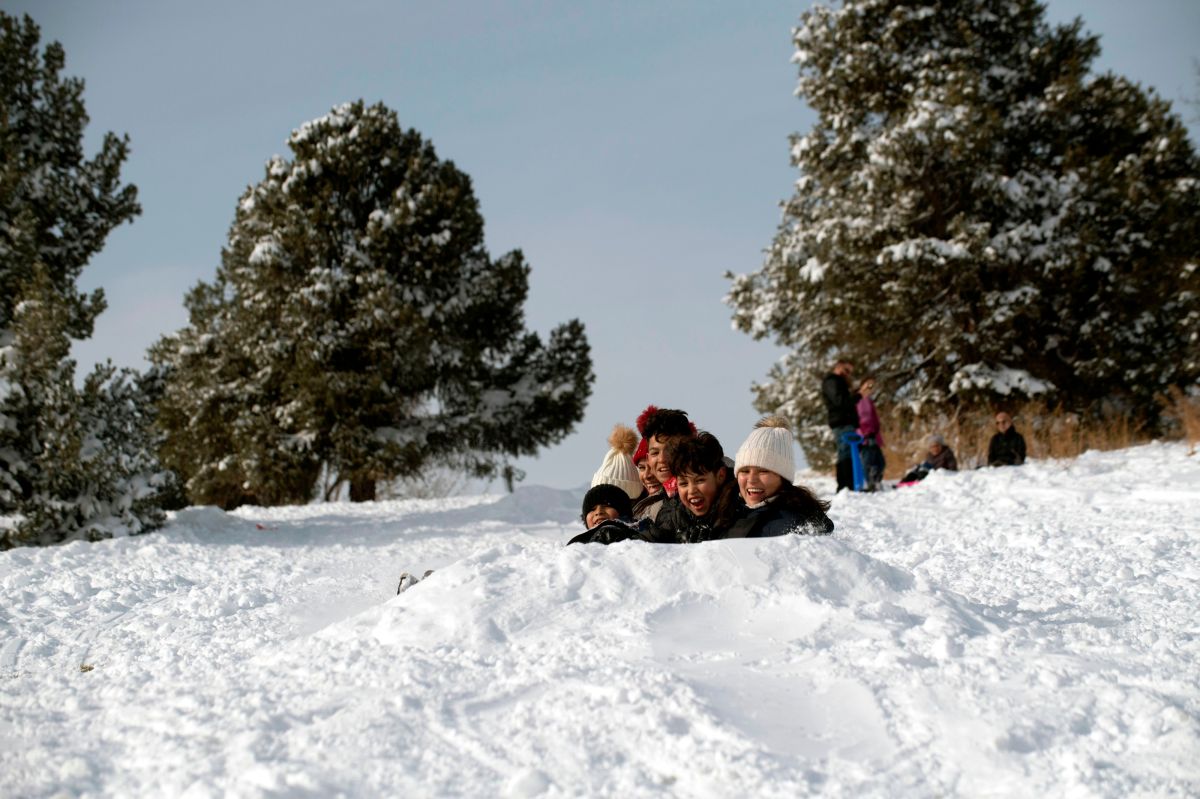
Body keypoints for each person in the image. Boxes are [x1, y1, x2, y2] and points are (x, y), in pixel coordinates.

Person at [725, 417, 833, 537]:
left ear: (783, 477)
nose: (751, 480)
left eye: (763, 471)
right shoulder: (727, 512)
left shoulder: (792, 527)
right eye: (745, 471)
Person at [631, 405, 696, 523]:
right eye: (655, 453)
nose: (661, 459)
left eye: (669, 451)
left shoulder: (704, 492)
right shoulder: (659, 499)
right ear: (648, 458)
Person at [822, 358, 860, 492]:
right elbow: (840, 402)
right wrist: (859, 396)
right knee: (845, 452)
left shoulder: (839, 382)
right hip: (841, 422)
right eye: (846, 370)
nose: (848, 373)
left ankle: (849, 485)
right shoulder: (832, 381)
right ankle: (845, 486)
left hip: (846, 422)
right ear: (838, 366)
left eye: (850, 372)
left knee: (848, 452)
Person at [856, 376, 886, 491]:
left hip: (874, 435)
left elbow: (874, 418)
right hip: (864, 436)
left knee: (880, 462)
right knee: (868, 460)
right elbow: (859, 419)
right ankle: (870, 483)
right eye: (868, 385)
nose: (870, 388)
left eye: (872, 386)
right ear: (862, 385)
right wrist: (866, 433)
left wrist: (876, 430)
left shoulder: (869, 400)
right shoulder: (858, 400)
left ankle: (876, 480)